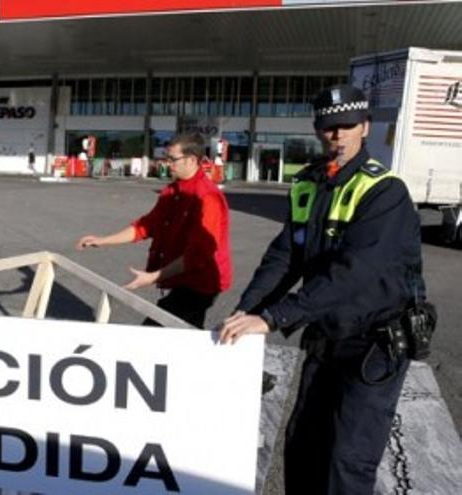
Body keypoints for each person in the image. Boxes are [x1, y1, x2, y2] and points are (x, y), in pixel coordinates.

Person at [219, 84, 426, 494]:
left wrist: (276, 317)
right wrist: (248, 313)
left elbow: (356, 271)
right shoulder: (308, 185)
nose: (338, 135)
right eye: (329, 127)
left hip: (374, 344)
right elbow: (284, 258)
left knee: (346, 462)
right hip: (325, 337)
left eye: (348, 125)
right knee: (304, 449)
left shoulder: (384, 191)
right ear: (318, 130)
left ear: (365, 127)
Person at [75, 132, 232, 328]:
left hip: (200, 282)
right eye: (167, 158)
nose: (167, 164)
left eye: (173, 159)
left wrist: (153, 276)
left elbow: (198, 255)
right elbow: (146, 226)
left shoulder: (207, 197)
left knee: (155, 331)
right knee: (187, 337)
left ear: (192, 160)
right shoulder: (171, 192)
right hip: (181, 279)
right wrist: (103, 240)